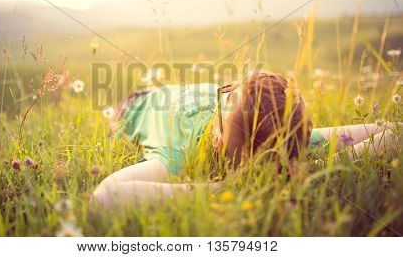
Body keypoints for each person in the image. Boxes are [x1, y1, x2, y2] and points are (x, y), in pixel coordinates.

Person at [91, 72, 399, 209]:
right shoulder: (284, 137)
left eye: (220, 119)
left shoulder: (178, 152)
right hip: (141, 102)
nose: (221, 98)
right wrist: (312, 167)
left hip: (138, 106)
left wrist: (219, 190)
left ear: (217, 143)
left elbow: (104, 197)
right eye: (228, 91)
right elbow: (392, 131)